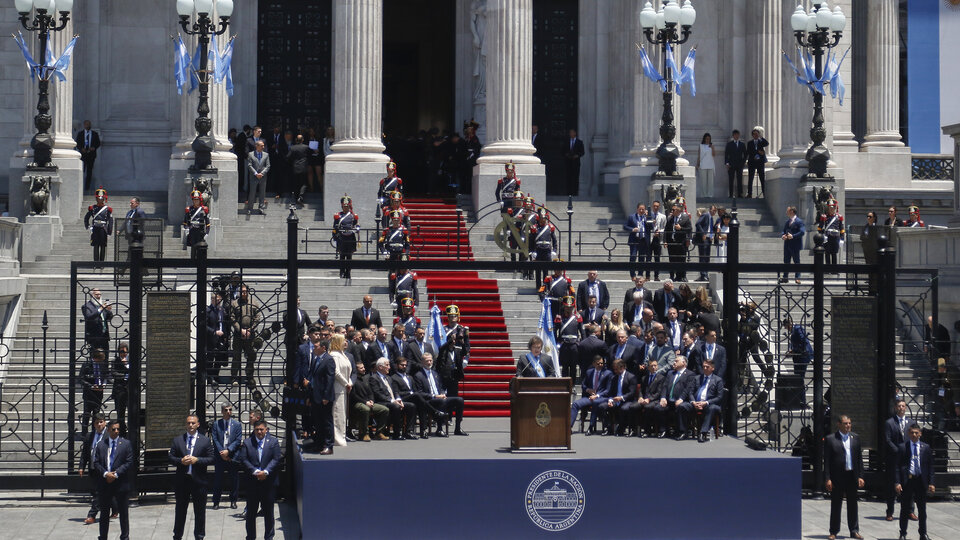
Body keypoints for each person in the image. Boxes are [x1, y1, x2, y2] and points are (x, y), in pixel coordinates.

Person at [168, 414, 215, 540]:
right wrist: (181, 461)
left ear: (198, 424)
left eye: (193, 423)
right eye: (188, 423)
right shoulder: (178, 440)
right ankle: (177, 535)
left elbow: (211, 458)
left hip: (199, 482)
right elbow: (171, 458)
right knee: (180, 511)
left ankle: (199, 536)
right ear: (185, 425)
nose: (191, 425)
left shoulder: (204, 441)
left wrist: (197, 460)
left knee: (200, 512)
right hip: (182, 481)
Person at [824, 415, 865, 540]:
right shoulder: (831, 439)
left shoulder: (855, 438)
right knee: (836, 504)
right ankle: (834, 531)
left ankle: (854, 530)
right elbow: (826, 461)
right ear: (839, 424)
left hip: (851, 475)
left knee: (853, 504)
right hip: (837, 477)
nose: (848, 426)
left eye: (849, 423)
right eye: (845, 423)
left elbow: (859, 459)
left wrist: (860, 476)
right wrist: (827, 478)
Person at [240, 420, 281, 540]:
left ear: (266, 430)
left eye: (262, 429)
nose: (259, 432)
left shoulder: (273, 442)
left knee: (268, 513)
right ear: (254, 430)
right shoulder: (247, 443)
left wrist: (266, 472)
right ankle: (251, 537)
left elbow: (276, 458)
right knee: (251, 513)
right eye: (257, 429)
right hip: (253, 483)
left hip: (268, 484)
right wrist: (255, 471)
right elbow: (243, 459)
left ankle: (269, 537)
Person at [92, 420, 132, 540]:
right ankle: (103, 536)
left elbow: (129, 462)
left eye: (118, 429)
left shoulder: (126, 444)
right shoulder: (101, 445)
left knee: (123, 513)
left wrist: (116, 474)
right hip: (105, 484)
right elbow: (96, 462)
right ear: (108, 430)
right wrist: (105, 474)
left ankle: (124, 537)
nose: (116, 431)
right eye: (113, 429)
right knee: (104, 513)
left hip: (120, 484)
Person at [895, 424, 935, 540]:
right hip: (908, 481)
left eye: (916, 433)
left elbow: (930, 466)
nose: (914, 435)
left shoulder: (925, 448)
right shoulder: (903, 447)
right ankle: (903, 533)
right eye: (912, 432)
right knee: (904, 509)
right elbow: (897, 466)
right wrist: (897, 482)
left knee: (922, 510)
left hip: (921, 481)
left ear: (920, 434)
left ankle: (923, 533)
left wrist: (931, 483)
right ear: (908, 433)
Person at [415, 352, 467, 436]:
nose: (429, 363)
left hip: (440, 397)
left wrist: (443, 393)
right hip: (429, 401)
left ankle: (458, 428)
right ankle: (439, 429)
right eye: (427, 361)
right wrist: (435, 396)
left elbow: (441, 386)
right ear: (422, 362)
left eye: (430, 360)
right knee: (440, 401)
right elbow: (420, 393)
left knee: (459, 400)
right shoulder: (418, 375)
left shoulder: (435, 373)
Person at [78, 414, 116, 525]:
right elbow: (85, 453)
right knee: (99, 491)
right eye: (96, 423)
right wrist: (81, 467)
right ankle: (115, 507)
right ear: (93, 424)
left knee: (99, 492)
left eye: (101, 422)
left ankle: (92, 515)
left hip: (105, 468)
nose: (99, 425)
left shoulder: (109, 435)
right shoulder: (90, 436)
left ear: (105, 423)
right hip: (93, 468)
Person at [678, 358, 724, 442]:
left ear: (712, 368)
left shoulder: (718, 380)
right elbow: (690, 392)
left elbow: (719, 397)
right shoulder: (697, 378)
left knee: (712, 408)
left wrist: (706, 403)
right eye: (703, 367)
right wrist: (693, 402)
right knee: (682, 406)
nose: (705, 368)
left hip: (709, 404)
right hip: (695, 403)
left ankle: (703, 433)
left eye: (707, 367)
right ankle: (683, 432)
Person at [370, 357, 417, 440]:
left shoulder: (389, 378)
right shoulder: (374, 378)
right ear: (380, 367)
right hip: (382, 402)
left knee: (411, 406)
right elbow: (378, 394)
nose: (389, 367)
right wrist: (392, 401)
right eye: (387, 365)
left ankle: (408, 432)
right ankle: (397, 433)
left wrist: (398, 399)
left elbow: (395, 391)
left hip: (393, 401)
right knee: (396, 407)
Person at [884, 399, 915, 522]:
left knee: (910, 485)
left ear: (906, 407)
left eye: (903, 406)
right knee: (893, 485)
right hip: (895, 457)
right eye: (899, 406)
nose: (901, 408)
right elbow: (888, 439)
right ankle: (890, 511)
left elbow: (914, 437)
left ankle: (910, 511)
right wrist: (898, 450)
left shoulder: (911, 422)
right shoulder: (890, 422)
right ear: (895, 408)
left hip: (908, 459)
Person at [210, 403, 242, 510]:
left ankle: (233, 500)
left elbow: (238, 440)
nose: (228, 412)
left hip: (232, 456)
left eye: (230, 410)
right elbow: (214, 439)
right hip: (220, 456)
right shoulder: (216, 424)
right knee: (218, 479)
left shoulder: (237, 424)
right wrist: (222, 452)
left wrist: (228, 451)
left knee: (234, 480)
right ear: (222, 411)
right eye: (226, 410)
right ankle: (216, 502)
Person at [307, 339, 336, 454]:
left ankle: (329, 445)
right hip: (315, 395)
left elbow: (330, 379)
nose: (314, 349)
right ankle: (318, 444)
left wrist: (326, 396)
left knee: (326, 421)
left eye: (316, 347)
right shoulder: (315, 360)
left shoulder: (328, 360)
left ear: (323, 348)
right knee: (318, 422)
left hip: (324, 397)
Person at [349, 361, 390, 441]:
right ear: (356, 370)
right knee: (366, 409)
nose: (364, 369)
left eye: (364, 367)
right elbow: (353, 395)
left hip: (368, 402)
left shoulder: (365, 379)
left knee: (384, 410)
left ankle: (379, 433)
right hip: (357, 403)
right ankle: (363, 434)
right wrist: (365, 402)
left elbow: (370, 392)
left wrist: (371, 401)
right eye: (361, 368)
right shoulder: (353, 380)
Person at [570, 356, 611, 433]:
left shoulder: (607, 373)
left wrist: (597, 395)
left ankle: (591, 426)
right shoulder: (589, 372)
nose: (601, 365)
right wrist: (587, 390)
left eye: (602, 363)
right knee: (575, 404)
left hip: (601, 398)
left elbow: (608, 390)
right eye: (598, 363)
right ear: (594, 364)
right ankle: (569, 427)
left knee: (596, 402)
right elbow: (583, 385)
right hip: (590, 397)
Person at [596, 359, 637, 436]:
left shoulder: (631, 377)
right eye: (614, 369)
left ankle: (621, 428)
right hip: (615, 400)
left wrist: (621, 398)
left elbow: (631, 393)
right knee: (602, 407)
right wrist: (610, 400)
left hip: (627, 400)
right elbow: (611, 392)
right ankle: (609, 428)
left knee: (624, 408)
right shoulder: (614, 378)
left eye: (616, 369)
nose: (615, 371)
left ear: (622, 368)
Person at [230, 285, 261, 386]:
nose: (244, 293)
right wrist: (240, 330)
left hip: (250, 335)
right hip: (238, 335)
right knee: (236, 357)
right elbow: (232, 317)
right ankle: (234, 378)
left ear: (248, 292)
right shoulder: (235, 303)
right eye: (242, 292)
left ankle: (249, 377)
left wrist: (250, 329)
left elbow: (258, 317)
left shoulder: (254, 302)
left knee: (251, 356)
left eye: (245, 291)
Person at [438, 305, 470, 396]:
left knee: (454, 387)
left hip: (458, 356)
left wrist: (466, 359)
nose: (453, 318)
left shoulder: (462, 329)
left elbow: (467, 347)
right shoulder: (444, 329)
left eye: (454, 316)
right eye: (450, 316)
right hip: (446, 357)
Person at [329, 334, 353, 446]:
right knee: (337, 414)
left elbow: (348, 371)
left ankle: (342, 436)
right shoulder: (334, 355)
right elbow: (336, 372)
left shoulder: (342, 354)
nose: (346, 343)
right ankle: (337, 438)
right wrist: (346, 382)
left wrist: (349, 382)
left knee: (342, 414)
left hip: (344, 388)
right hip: (337, 388)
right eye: (344, 341)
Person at [79, 348, 109, 436]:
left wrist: (103, 385)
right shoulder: (87, 365)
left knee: (96, 414)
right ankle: (84, 433)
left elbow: (106, 376)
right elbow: (81, 379)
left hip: (99, 393)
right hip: (89, 393)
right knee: (87, 414)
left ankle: (94, 432)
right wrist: (91, 386)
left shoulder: (103, 365)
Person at [529, 208, 559, 285]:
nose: (543, 220)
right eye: (541, 218)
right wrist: (532, 251)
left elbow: (554, 240)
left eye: (544, 218)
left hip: (547, 250)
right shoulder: (534, 228)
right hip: (538, 250)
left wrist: (554, 250)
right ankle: (538, 287)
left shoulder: (550, 227)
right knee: (538, 271)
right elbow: (531, 241)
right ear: (539, 218)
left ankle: (545, 287)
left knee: (546, 271)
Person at [555, 296, 582, 380]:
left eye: (570, 307)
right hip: (564, 345)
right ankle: (565, 385)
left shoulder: (577, 318)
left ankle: (573, 385)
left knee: (573, 367)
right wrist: (557, 343)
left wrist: (581, 344)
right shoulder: (559, 318)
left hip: (574, 345)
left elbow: (582, 332)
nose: (568, 309)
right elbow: (554, 331)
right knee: (565, 367)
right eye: (567, 307)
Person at [206, 292, 230, 385]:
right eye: (217, 300)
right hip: (211, 338)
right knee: (210, 359)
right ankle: (210, 377)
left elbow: (225, 323)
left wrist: (226, 336)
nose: (219, 301)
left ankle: (216, 375)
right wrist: (214, 332)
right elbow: (205, 325)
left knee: (219, 359)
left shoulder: (222, 310)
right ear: (212, 300)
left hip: (221, 338)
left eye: (220, 300)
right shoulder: (208, 310)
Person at [332, 196, 359, 279]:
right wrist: (334, 237)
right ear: (342, 206)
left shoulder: (353, 216)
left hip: (350, 237)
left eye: (347, 206)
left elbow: (356, 225)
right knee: (342, 256)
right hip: (342, 237)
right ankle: (342, 272)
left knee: (349, 257)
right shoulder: (338, 216)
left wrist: (357, 229)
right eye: (344, 206)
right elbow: (335, 227)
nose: (346, 208)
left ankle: (348, 273)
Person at [84, 188, 113, 264]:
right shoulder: (92, 208)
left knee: (103, 246)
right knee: (96, 246)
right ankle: (96, 262)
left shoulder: (107, 209)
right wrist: (88, 227)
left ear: (104, 199)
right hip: (95, 228)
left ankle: (102, 263)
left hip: (103, 229)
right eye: (98, 198)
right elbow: (86, 218)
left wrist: (109, 232)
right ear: (96, 199)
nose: (100, 200)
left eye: (101, 198)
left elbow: (110, 221)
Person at [665, 202, 692, 282]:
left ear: (679, 211)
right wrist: (665, 241)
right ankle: (672, 275)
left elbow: (689, 229)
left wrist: (681, 228)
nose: (672, 211)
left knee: (681, 259)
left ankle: (682, 276)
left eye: (674, 210)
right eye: (672, 210)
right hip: (671, 242)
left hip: (681, 242)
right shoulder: (670, 218)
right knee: (672, 259)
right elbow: (666, 230)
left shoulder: (685, 218)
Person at [82, 288, 113, 357]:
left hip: (104, 337)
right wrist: (100, 309)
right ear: (92, 295)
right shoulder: (87, 306)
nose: (99, 296)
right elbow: (89, 317)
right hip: (94, 337)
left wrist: (109, 311)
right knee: (94, 358)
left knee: (105, 357)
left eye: (100, 294)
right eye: (96, 294)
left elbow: (108, 318)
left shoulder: (101, 305)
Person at [780, 206, 805, 284]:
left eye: (788, 211)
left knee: (796, 261)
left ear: (792, 211)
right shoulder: (787, 222)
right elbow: (784, 231)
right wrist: (783, 235)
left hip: (795, 244)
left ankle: (797, 277)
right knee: (786, 261)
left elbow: (802, 232)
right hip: (787, 244)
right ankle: (785, 277)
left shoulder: (799, 221)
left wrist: (793, 236)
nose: (786, 212)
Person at [624, 203, 650, 278]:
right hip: (634, 240)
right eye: (640, 209)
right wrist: (632, 229)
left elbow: (651, 227)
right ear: (637, 209)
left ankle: (640, 274)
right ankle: (632, 275)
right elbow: (625, 226)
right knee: (633, 256)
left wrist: (648, 217)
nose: (641, 211)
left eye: (643, 209)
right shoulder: (631, 217)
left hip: (643, 240)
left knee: (642, 258)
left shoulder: (647, 217)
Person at [183, 190, 210, 259]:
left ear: (200, 200)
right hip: (192, 231)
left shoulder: (204, 209)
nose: (196, 201)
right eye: (194, 200)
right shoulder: (189, 209)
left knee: (200, 248)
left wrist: (207, 233)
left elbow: (207, 223)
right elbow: (185, 222)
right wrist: (186, 229)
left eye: (197, 200)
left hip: (200, 231)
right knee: (193, 248)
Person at [75, 120, 102, 191]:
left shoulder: (94, 134)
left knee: (89, 171)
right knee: (82, 170)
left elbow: (98, 143)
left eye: (89, 124)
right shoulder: (80, 134)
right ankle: (80, 185)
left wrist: (93, 147)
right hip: (83, 155)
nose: (88, 126)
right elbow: (77, 143)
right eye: (86, 124)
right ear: (84, 125)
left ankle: (87, 187)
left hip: (91, 155)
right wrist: (81, 149)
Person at [246, 140, 270, 214]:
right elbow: (249, 165)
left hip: (263, 177)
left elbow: (268, 165)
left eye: (263, 145)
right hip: (254, 176)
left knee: (262, 193)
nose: (263, 147)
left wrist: (262, 173)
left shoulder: (266, 155)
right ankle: (250, 208)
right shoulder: (251, 154)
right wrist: (256, 173)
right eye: (261, 145)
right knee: (252, 193)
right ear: (257, 146)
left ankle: (261, 208)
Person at [818, 199, 844, 266]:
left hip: (835, 237)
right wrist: (822, 235)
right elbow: (819, 228)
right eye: (830, 207)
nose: (832, 209)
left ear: (835, 208)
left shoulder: (839, 217)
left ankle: (834, 269)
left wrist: (842, 238)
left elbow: (842, 228)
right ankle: (827, 269)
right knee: (827, 253)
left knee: (834, 253)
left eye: (833, 207)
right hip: (828, 238)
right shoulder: (824, 217)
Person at [112, 343, 130, 435]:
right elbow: (114, 373)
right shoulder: (115, 361)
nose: (123, 354)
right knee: (120, 413)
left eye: (125, 352)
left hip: (129, 391)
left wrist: (126, 365)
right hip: (119, 390)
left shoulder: (131, 361)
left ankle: (131, 432)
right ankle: (122, 431)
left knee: (131, 412)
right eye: (121, 351)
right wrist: (124, 376)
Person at [288, 135, 311, 203]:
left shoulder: (292, 148)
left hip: (295, 167)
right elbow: (311, 154)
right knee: (303, 182)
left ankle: (296, 197)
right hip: (303, 167)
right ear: (302, 140)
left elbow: (288, 156)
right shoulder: (306, 147)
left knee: (296, 183)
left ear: (296, 140)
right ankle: (301, 196)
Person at [745, 127, 768, 198]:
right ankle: (750, 193)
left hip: (760, 162)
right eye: (754, 134)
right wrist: (757, 152)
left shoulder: (761, 141)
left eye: (757, 134)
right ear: (752, 135)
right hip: (752, 161)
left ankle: (765, 193)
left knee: (762, 177)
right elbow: (749, 151)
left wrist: (761, 137)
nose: (756, 135)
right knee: (750, 178)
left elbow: (767, 143)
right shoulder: (750, 143)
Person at [562, 129, 585, 196]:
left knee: (575, 178)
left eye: (572, 132)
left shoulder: (579, 142)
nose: (571, 134)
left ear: (575, 133)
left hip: (576, 163)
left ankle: (575, 193)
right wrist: (566, 155)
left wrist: (577, 155)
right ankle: (568, 193)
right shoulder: (566, 142)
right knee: (568, 177)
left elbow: (582, 152)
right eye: (570, 132)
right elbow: (562, 151)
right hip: (568, 162)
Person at [724, 130, 747, 198]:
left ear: (739, 135)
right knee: (731, 179)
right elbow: (726, 154)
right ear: (733, 136)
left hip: (739, 164)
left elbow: (745, 155)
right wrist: (727, 163)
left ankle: (740, 194)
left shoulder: (742, 144)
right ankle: (731, 194)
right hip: (731, 164)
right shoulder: (729, 144)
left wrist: (743, 163)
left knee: (739, 179)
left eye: (737, 135)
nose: (736, 136)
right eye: (735, 135)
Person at [648, 200, 667, 280]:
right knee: (648, 258)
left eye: (657, 206)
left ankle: (656, 276)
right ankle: (647, 276)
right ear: (652, 206)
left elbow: (665, 228)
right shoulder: (648, 215)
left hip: (658, 239)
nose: (655, 207)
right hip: (650, 239)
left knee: (657, 258)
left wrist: (660, 232)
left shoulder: (663, 216)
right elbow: (646, 227)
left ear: (659, 207)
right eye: (654, 206)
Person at [694, 207, 712, 281]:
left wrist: (709, 235)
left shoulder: (707, 216)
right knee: (703, 257)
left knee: (706, 258)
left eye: (697, 212)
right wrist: (703, 233)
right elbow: (698, 224)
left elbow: (699, 224)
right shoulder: (706, 215)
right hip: (703, 239)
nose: (697, 214)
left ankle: (705, 274)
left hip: (707, 239)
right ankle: (703, 274)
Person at [697, 133, 715, 198]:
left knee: (710, 182)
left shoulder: (712, 146)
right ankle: (703, 195)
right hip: (703, 165)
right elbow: (699, 156)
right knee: (703, 182)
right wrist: (697, 164)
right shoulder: (701, 146)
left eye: (709, 139)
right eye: (707, 139)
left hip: (710, 165)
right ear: (704, 139)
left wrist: (712, 148)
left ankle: (710, 195)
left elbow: (714, 155)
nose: (708, 140)